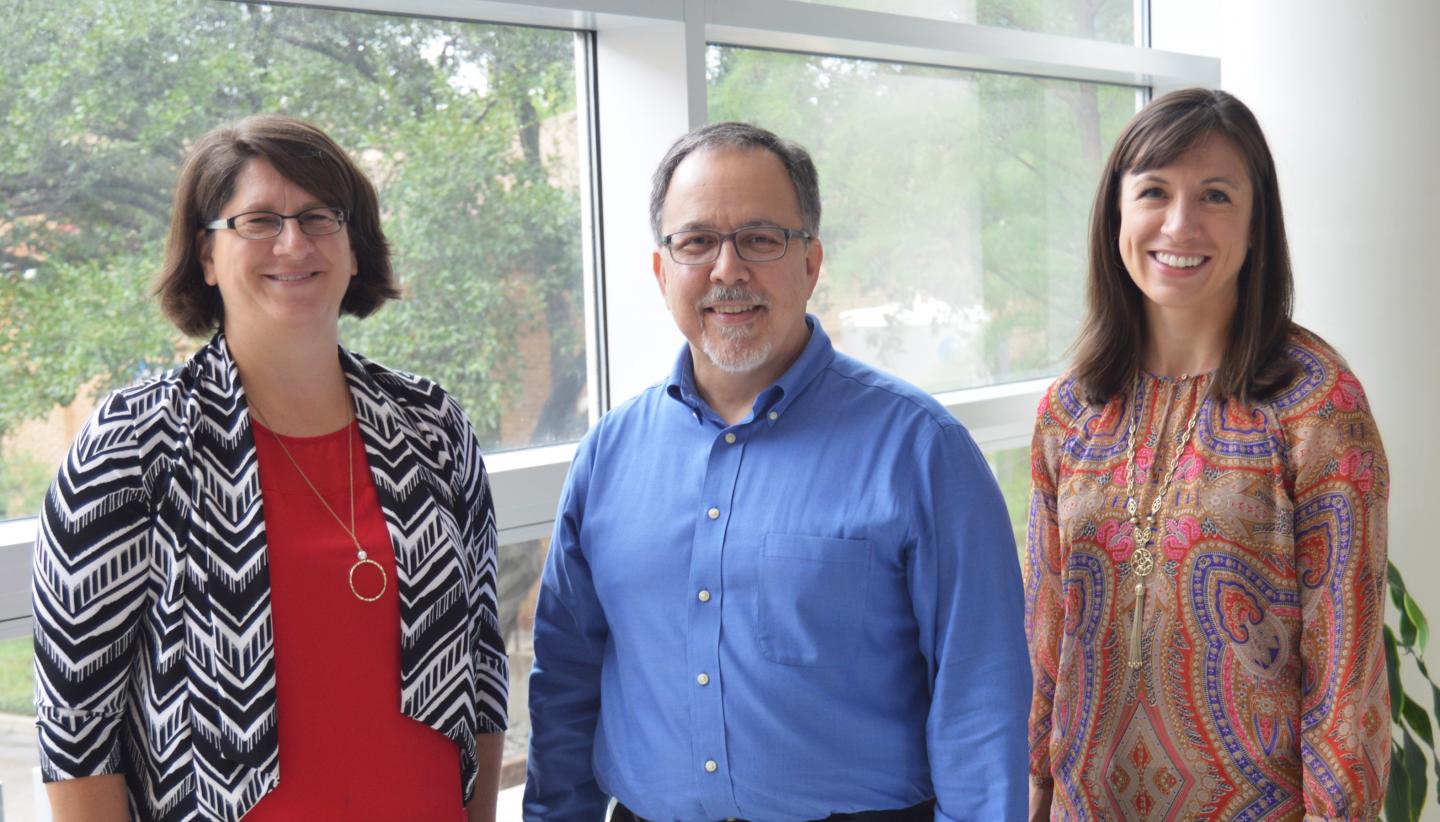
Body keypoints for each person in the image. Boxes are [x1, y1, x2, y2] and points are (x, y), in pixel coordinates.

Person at [523, 121, 1030, 821]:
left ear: (811, 263)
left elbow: (981, 697)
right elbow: (564, 684)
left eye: (760, 239)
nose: (727, 270)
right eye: (696, 242)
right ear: (661, 271)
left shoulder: (922, 450)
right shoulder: (607, 457)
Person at [31, 115, 508, 822]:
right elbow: (77, 730)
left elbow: (482, 667)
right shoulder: (134, 445)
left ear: (353, 247)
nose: (294, 244)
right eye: (257, 221)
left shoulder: (431, 424)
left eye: (319, 217)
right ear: (206, 255)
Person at [1025, 88, 1390, 820]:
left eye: (1216, 196)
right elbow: (1044, 631)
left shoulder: (1318, 406)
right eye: (1154, 192)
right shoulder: (1069, 411)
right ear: (1116, 215)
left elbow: (1345, 672)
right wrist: (1035, 788)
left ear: (1257, 226)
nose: (1179, 224)